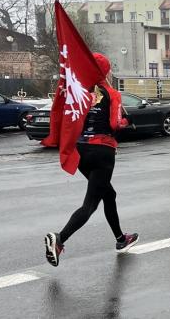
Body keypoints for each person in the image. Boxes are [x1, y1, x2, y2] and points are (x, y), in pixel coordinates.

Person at [44, 53, 138, 267]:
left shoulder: (79, 91)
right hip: (102, 151)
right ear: (104, 71)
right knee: (90, 205)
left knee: (109, 194)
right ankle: (58, 239)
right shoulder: (111, 93)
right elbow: (115, 125)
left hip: (80, 151)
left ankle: (121, 239)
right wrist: (126, 121)